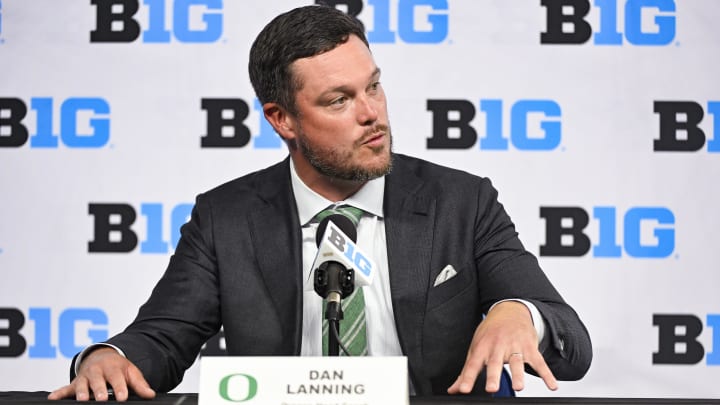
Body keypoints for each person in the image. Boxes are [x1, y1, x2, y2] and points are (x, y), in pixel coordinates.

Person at [49, 5, 592, 402]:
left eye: (374, 88)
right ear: (282, 119)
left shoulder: (462, 202)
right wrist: (106, 358)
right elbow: (162, 338)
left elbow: (572, 345)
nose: (372, 114)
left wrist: (519, 314)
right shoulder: (226, 218)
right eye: (339, 100)